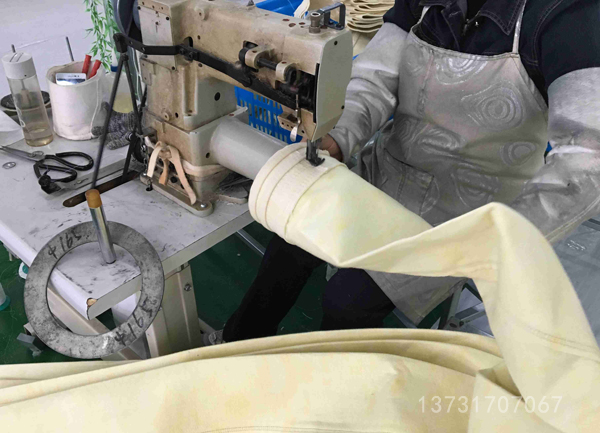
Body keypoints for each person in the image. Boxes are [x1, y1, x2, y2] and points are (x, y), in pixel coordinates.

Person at [207, 0, 600, 344]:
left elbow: (586, 160)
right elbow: (375, 81)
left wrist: (501, 238)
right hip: (389, 167)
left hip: (467, 212)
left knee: (347, 301)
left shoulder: (566, 17)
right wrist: (339, 138)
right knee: (290, 235)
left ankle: (327, 387)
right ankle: (235, 344)